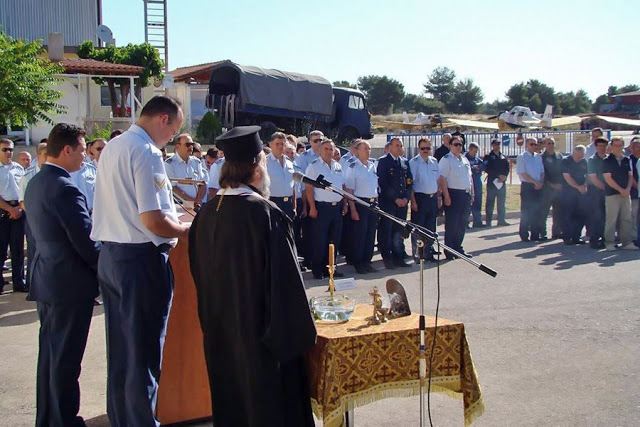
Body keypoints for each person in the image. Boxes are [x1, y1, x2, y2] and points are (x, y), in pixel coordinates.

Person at [189, 126, 317, 427]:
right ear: (257, 167)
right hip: (263, 342)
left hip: (221, 336)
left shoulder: (206, 215)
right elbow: (287, 288)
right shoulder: (265, 214)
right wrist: (301, 337)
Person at [91, 96, 190, 426]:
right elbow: (154, 221)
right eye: (174, 131)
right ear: (162, 119)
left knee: (121, 354)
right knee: (144, 356)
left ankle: (123, 420)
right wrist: (186, 231)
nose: (172, 138)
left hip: (112, 256)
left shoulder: (115, 147)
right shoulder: (146, 152)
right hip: (140, 260)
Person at [24, 123, 100, 427]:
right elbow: (84, 240)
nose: (84, 156)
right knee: (66, 361)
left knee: (51, 359)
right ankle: (64, 420)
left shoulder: (37, 182)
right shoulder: (65, 187)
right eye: (82, 150)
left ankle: (49, 418)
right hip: (69, 284)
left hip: (47, 279)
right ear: (67, 149)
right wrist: (107, 265)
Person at [305, 138, 347, 279]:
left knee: (334, 240)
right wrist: (312, 207)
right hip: (321, 207)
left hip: (337, 208)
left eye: (331, 149)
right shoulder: (314, 166)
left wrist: (345, 204)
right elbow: (309, 189)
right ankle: (318, 270)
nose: (329, 152)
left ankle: (331, 268)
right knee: (320, 240)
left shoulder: (337, 166)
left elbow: (342, 187)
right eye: (326, 149)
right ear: (320, 150)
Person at [377, 137, 413, 269]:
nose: (399, 148)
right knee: (387, 230)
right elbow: (383, 183)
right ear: (390, 147)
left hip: (402, 203)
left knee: (399, 231)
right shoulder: (383, 162)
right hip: (389, 203)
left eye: (401, 146)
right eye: (397, 145)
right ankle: (387, 258)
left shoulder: (404, 162)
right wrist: (395, 199)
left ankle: (399, 257)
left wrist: (406, 198)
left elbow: (409, 182)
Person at [345, 140, 378, 273]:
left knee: (370, 234)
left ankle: (367, 261)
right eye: (365, 149)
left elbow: (375, 186)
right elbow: (349, 190)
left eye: (369, 149)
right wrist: (353, 209)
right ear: (357, 151)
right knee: (360, 234)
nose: (368, 151)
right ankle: (358, 263)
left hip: (372, 203)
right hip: (360, 203)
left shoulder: (372, 165)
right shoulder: (353, 167)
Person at [19, 142, 48, 292]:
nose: (48, 158)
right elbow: (22, 202)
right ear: (38, 156)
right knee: (34, 252)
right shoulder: (28, 176)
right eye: (45, 155)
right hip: (34, 220)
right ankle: (32, 286)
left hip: (50, 221)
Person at [439, 135, 473, 259]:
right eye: (456, 144)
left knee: (462, 223)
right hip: (453, 194)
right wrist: (446, 196)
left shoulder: (464, 159)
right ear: (450, 146)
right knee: (452, 224)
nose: (459, 147)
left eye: (460, 144)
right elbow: (442, 179)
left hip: (465, 194)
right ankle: (449, 250)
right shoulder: (446, 159)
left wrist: (472, 194)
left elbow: (470, 178)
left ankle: (458, 248)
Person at [0, 138, 26, 293]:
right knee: (1, 250)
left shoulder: (18, 168)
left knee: (17, 250)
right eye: (5, 149)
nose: (9, 152)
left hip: (18, 209)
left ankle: (19, 282)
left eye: (10, 149)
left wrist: (19, 209)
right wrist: (10, 209)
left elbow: (24, 190)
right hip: (3, 212)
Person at [602, 137, 637, 250]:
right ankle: (609, 242)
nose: (618, 148)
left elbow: (630, 176)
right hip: (612, 194)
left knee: (626, 218)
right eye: (616, 145)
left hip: (626, 194)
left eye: (620, 145)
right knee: (612, 219)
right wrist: (620, 190)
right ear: (611, 146)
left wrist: (627, 189)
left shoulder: (627, 160)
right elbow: (608, 178)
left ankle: (627, 242)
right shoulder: (607, 161)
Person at [409, 138, 440, 262]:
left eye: (428, 148)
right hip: (420, 198)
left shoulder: (434, 161)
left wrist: (439, 197)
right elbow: (410, 184)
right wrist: (413, 201)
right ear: (418, 149)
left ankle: (428, 252)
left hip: (432, 198)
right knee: (418, 228)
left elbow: (437, 180)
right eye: (423, 148)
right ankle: (418, 254)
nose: (425, 151)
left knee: (431, 227)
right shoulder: (414, 162)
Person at [165, 133, 207, 210]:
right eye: (188, 144)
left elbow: (203, 183)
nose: (191, 147)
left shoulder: (196, 162)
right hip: (180, 205)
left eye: (192, 144)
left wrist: (198, 200)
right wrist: (191, 201)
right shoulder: (170, 164)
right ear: (178, 146)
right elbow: (173, 187)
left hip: (198, 205)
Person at [517, 137, 545, 242]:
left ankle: (535, 234)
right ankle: (524, 234)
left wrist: (540, 182)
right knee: (526, 211)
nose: (534, 146)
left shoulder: (538, 157)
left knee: (537, 211)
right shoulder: (522, 157)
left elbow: (542, 172)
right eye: (531, 144)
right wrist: (534, 182)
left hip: (538, 186)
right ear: (527, 145)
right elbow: (522, 173)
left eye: (535, 144)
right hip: (528, 186)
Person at [561, 145, 589, 245]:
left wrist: (585, 185)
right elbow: (567, 177)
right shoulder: (566, 161)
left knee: (580, 215)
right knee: (568, 215)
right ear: (573, 153)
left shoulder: (584, 161)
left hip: (581, 192)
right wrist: (578, 187)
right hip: (569, 191)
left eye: (581, 156)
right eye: (577, 156)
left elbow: (588, 175)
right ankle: (567, 237)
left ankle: (576, 236)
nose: (579, 158)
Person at [266, 132, 296, 219]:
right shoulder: (266, 162)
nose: (280, 146)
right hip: (273, 202)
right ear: (270, 145)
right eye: (277, 144)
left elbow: (293, 185)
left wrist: (294, 206)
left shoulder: (289, 162)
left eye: (282, 144)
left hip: (288, 203)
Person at [540, 137, 564, 239]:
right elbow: (542, 174)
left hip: (559, 189)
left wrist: (561, 184)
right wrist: (551, 185)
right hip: (547, 189)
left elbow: (563, 171)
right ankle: (543, 233)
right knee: (544, 212)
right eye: (548, 143)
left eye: (552, 143)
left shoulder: (559, 156)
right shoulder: (541, 157)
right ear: (545, 145)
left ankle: (557, 232)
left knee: (558, 212)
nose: (551, 145)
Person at [587, 136, 609, 249]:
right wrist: (605, 188)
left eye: (604, 146)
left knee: (606, 216)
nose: (602, 148)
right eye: (600, 146)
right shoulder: (592, 160)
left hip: (608, 192)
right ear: (596, 146)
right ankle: (594, 240)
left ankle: (605, 239)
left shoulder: (609, 159)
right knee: (596, 216)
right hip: (595, 191)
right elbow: (593, 178)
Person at [483, 138, 510, 226]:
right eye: (495, 144)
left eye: (498, 144)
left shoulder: (503, 156)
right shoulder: (488, 156)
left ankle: (501, 220)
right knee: (490, 202)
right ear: (492, 145)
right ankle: (488, 221)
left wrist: (504, 176)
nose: (497, 146)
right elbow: (487, 168)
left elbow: (507, 167)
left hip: (501, 182)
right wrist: (498, 175)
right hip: (492, 182)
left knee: (501, 202)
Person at [465, 142, 485, 228]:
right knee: (468, 204)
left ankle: (477, 221)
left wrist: (479, 167)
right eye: (474, 151)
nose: (475, 153)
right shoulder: (464, 158)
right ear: (469, 149)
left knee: (478, 202)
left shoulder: (477, 159)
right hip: (469, 183)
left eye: (476, 152)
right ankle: (465, 223)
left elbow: (484, 166)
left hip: (477, 183)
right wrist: (474, 168)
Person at [628, 137, 640, 245]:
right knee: (634, 215)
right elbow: (631, 177)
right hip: (634, 192)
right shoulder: (629, 159)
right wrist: (637, 187)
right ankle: (634, 236)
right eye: (636, 146)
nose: (638, 149)